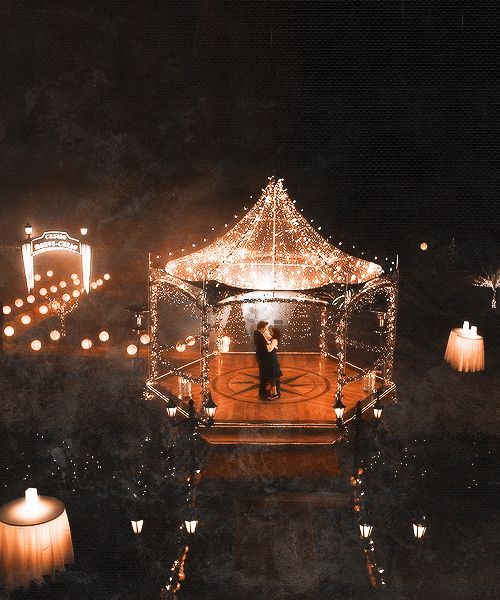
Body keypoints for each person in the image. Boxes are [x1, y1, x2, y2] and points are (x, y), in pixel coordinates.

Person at [254, 320, 271, 399]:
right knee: (263, 375)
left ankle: (263, 391)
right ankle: (262, 394)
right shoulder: (258, 335)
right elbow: (262, 346)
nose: (266, 329)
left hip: (261, 356)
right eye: (265, 328)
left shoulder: (258, 333)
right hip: (262, 357)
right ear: (261, 328)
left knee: (264, 374)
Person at [266, 326, 282, 399]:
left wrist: (267, 343)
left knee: (272, 378)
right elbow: (267, 335)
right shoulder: (273, 339)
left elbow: (269, 349)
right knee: (272, 378)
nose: (270, 331)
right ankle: (273, 393)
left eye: (271, 331)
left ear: (274, 332)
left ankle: (274, 394)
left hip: (273, 360)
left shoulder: (275, 340)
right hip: (271, 359)